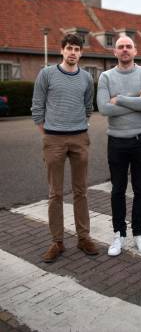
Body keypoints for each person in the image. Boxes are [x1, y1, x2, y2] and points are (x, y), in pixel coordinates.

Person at [32, 33, 98, 263]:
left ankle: (83, 238)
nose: (73, 53)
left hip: (79, 138)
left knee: (81, 191)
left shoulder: (87, 79)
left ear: (81, 53)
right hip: (54, 140)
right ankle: (57, 242)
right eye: (69, 48)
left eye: (77, 49)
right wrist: (49, 134)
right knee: (55, 193)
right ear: (62, 50)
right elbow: (37, 108)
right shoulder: (47, 74)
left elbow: (88, 106)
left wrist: (78, 127)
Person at [97, 36, 141, 256]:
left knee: (140, 189)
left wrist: (119, 99)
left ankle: (139, 232)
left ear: (135, 50)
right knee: (118, 190)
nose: (124, 50)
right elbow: (103, 108)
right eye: (120, 47)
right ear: (115, 52)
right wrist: (135, 100)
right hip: (116, 141)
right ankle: (119, 234)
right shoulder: (105, 76)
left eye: (128, 47)